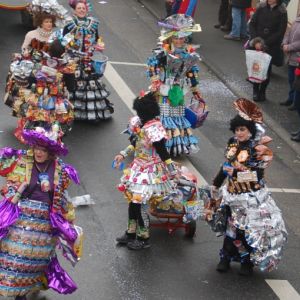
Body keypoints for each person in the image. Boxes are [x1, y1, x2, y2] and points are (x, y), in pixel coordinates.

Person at [0, 125, 82, 300]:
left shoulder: (59, 169)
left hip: (44, 221)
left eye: (43, 150)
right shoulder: (24, 161)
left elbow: (62, 198)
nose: (38, 152)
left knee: (36, 262)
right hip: (22, 218)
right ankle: (18, 295)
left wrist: (69, 221)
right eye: (36, 148)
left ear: (51, 152)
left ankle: (30, 287)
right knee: (17, 257)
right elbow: (10, 187)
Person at [208, 98, 287, 276]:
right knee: (230, 229)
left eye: (242, 129)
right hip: (232, 195)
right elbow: (225, 166)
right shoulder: (233, 145)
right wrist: (216, 184)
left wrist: (236, 173)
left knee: (247, 231)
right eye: (237, 129)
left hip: (251, 197)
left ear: (250, 131)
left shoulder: (258, 150)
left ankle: (246, 262)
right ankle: (225, 258)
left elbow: (257, 175)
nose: (239, 133)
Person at [114, 92, 178, 250]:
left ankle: (143, 238)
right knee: (133, 203)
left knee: (140, 203)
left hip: (150, 172)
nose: (138, 115)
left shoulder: (155, 128)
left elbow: (163, 152)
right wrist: (123, 154)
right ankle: (130, 232)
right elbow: (136, 144)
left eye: (140, 112)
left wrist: (172, 171)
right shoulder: (140, 124)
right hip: (137, 168)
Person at [147, 14, 202, 156]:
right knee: (163, 114)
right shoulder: (163, 51)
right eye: (177, 38)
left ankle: (174, 146)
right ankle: (160, 143)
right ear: (171, 38)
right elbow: (152, 66)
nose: (179, 40)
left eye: (182, 38)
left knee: (177, 114)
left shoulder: (188, 53)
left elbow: (191, 72)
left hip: (179, 90)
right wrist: (155, 81)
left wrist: (195, 90)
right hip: (164, 89)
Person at [63, 0, 114, 121]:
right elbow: (63, 38)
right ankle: (70, 109)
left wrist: (97, 46)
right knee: (72, 81)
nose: (81, 10)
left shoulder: (93, 23)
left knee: (89, 82)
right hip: (73, 57)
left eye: (83, 8)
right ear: (74, 10)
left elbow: (96, 38)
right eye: (79, 8)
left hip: (88, 57)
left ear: (87, 10)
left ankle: (87, 111)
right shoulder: (70, 23)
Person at [249, 0, 287, 101]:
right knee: (256, 69)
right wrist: (256, 41)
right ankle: (255, 90)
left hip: (271, 46)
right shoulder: (261, 7)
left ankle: (262, 91)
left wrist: (264, 43)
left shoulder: (282, 11)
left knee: (266, 70)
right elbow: (252, 24)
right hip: (257, 44)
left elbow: (281, 31)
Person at [280, 15, 300, 113]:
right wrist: (284, 44)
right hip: (291, 57)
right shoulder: (296, 20)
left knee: (297, 83)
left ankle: (296, 103)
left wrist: (289, 47)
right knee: (291, 80)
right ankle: (291, 98)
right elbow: (287, 34)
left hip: (298, 59)